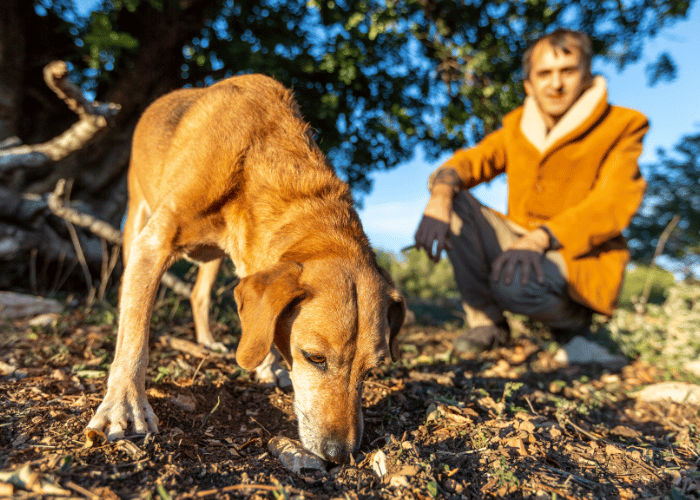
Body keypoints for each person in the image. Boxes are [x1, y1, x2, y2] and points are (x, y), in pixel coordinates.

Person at [413, 28, 648, 358]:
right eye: (544, 74)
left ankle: (573, 322)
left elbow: (613, 202)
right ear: (529, 84)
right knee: (455, 201)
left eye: (567, 71)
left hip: (575, 256)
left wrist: (540, 239)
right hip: (519, 241)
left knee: (515, 283)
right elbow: (471, 161)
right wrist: (439, 196)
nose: (556, 84)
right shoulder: (516, 125)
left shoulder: (623, 125)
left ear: (587, 76)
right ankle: (487, 324)